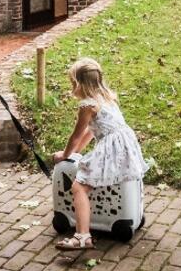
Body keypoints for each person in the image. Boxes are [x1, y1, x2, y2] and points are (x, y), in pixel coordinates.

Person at [50, 57, 148, 251]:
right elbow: (91, 131)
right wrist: (77, 152)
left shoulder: (87, 105)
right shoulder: (106, 98)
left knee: (79, 187)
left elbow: (76, 135)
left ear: (78, 84)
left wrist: (65, 154)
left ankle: (82, 236)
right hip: (125, 145)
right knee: (95, 180)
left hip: (111, 148)